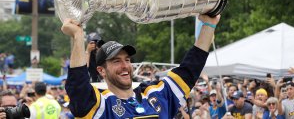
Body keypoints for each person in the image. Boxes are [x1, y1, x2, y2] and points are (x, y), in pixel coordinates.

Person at [61, 14, 220, 118]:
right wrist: (78, 36)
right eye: (116, 61)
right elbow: (78, 87)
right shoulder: (101, 105)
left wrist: (209, 25)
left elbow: (189, 70)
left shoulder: (155, 94)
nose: (125, 66)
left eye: (127, 60)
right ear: (101, 70)